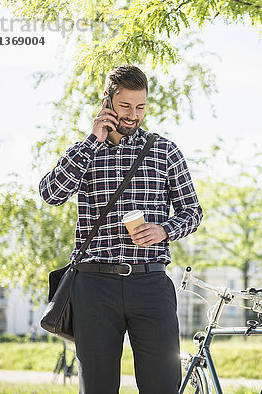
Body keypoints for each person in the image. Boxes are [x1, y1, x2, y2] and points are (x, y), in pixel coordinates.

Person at [39, 65, 203, 394]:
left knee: (162, 387)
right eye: (125, 106)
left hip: (150, 283)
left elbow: (192, 211)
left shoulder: (164, 151)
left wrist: (164, 230)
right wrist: (91, 142)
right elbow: (50, 194)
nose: (133, 115)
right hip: (94, 285)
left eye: (140, 107)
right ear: (107, 101)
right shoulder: (84, 153)